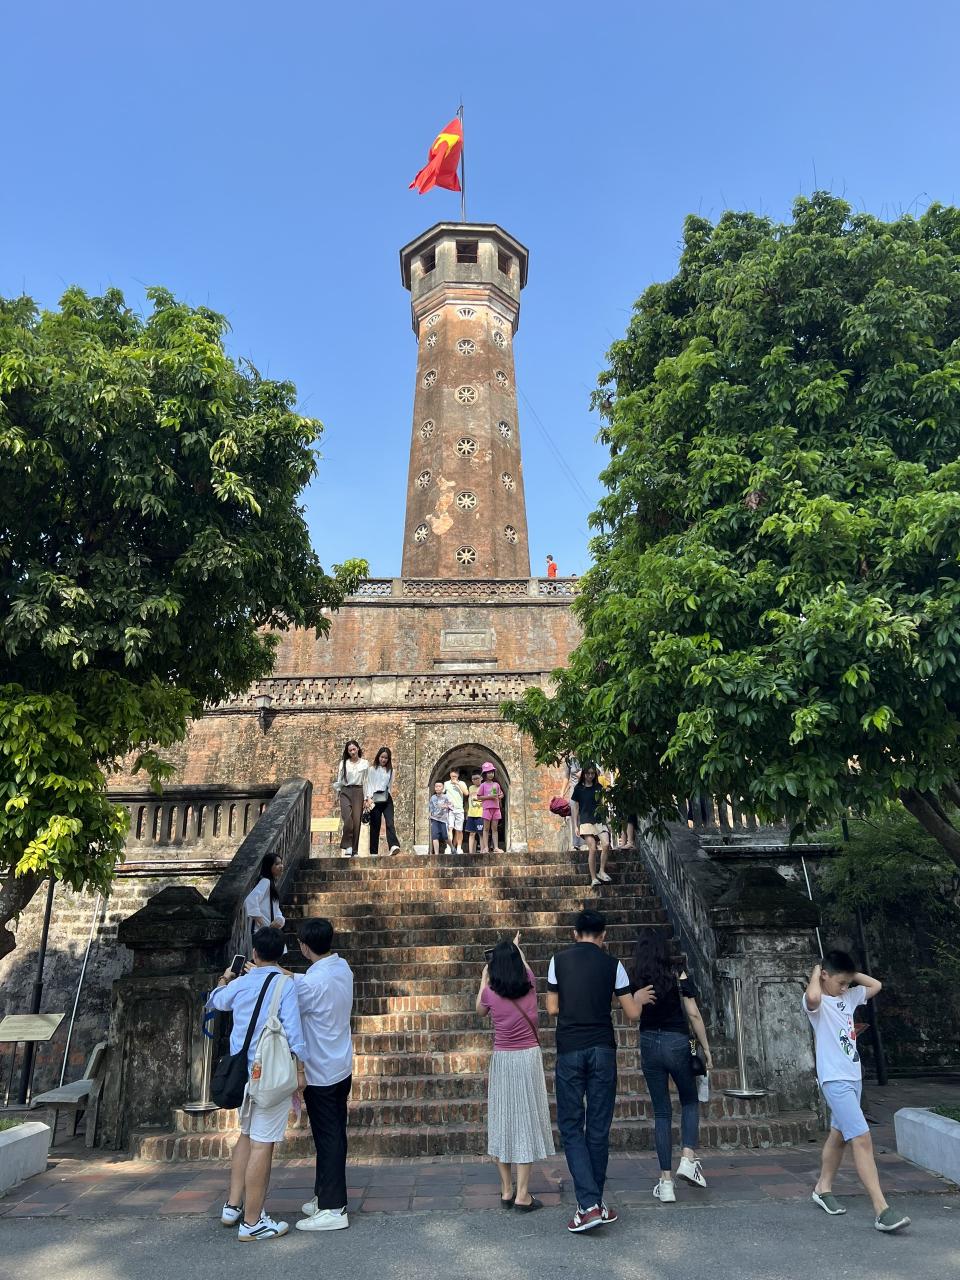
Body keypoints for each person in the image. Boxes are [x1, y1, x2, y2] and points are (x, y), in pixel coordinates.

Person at [546, 909, 655, 1233]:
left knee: (570, 1125)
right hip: (603, 1050)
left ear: (574, 932)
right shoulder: (613, 965)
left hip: (570, 1049)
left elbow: (552, 1008)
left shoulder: (558, 961)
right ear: (603, 935)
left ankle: (589, 1205)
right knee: (597, 1127)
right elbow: (632, 1013)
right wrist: (636, 996)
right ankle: (594, 1202)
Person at [209, 926, 306, 1242]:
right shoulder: (285, 985)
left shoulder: (241, 982)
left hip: (243, 1076)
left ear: (253, 954)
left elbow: (216, 1001)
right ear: (281, 955)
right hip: (269, 1076)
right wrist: (301, 1072)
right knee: (263, 1144)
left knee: (247, 1137)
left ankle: (233, 1206)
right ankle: (252, 1222)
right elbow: (294, 1033)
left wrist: (226, 977)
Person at [804, 951, 910, 1233]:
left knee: (839, 1134)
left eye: (847, 983)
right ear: (824, 976)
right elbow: (812, 998)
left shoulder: (848, 997)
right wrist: (817, 971)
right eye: (840, 982)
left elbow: (875, 985)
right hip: (834, 1080)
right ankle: (881, 1209)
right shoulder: (818, 1003)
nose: (845, 988)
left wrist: (850, 975)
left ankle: (822, 1188)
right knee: (861, 1138)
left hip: (853, 1076)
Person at [629, 928, 713, 1203]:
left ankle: (665, 1183)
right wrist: (706, 1048)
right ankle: (688, 1157)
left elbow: (633, 1014)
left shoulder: (637, 979)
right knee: (689, 1101)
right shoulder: (678, 974)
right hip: (678, 1042)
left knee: (661, 1111)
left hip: (649, 1042)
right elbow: (693, 1013)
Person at [476, 933, 554, 1212]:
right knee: (525, 1121)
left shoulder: (490, 994)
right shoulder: (530, 984)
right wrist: (516, 949)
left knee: (502, 1119)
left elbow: (479, 1011)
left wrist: (484, 978)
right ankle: (523, 1193)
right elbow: (524, 964)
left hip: (503, 1060)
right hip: (528, 1058)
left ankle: (506, 1189)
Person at [294, 918, 355, 1233]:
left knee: (328, 1138)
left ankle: (334, 1207)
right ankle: (324, 1195)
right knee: (333, 1135)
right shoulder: (342, 968)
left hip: (320, 1072)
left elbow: (296, 999)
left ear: (304, 947)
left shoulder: (309, 984)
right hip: (340, 1064)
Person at [570, 764, 611, 887]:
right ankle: (593, 878)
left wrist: (607, 822)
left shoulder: (598, 787)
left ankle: (601, 871)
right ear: (584, 774)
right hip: (585, 821)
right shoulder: (578, 789)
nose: (590, 776)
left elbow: (602, 805)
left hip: (599, 820)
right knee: (592, 848)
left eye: (593, 773)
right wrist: (576, 826)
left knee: (606, 843)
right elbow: (575, 808)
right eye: (588, 773)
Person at [242, 853, 285, 953]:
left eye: (281, 863)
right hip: (263, 934)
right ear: (269, 867)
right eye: (277, 864)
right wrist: (262, 923)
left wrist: (280, 920)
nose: (281, 866)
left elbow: (276, 909)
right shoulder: (266, 881)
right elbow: (250, 900)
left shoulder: (271, 883)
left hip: (269, 933)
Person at [333, 740, 369, 857]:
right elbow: (339, 779)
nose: (352, 752)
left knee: (357, 822)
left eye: (354, 749)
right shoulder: (343, 763)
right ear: (347, 752)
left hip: (359, 791)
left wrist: (367, 798)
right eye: (350, 750)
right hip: (345, 791)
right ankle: (347, 845)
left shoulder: (364, 763)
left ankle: (354, 851)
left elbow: (366, 781)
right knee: (347, 820)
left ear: (358, 749)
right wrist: (337, 794)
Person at [364, 746, 400, 856]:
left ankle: (394, 845)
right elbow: (368, 783)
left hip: (386, 797)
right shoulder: (371, 769)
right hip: (374, 798)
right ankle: (373, 852)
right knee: (375, 825)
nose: (383, 760)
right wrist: (368, 798)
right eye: (382, 757)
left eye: (386, 758)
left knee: (390, 822)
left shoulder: (390, 770)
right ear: (378, 757)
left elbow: (390, 785)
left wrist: (388, 793)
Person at [477, 763, 504, 854]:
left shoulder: (496, 784)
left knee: (495, 828)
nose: (491, 774)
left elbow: (501, 794)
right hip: (487, 808)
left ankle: (496, 847)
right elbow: (479, 797)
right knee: (486, 828)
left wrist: (500, 796)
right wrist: (489, 797)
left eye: (492, 772)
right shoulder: (483, 785)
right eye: (488, 772)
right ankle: (485, 848)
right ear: (485, 774)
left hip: (496, 808)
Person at [443, 769, 469, 854]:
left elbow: (466, 793)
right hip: (450, 810)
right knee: (449, 828)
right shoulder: (446, 783)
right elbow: (441, 794)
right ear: (450, 775)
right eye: (452, 776)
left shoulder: (461, 783)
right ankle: (449, 847)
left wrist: (457, 784)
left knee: (459, 830)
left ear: (458, 775)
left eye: (455, 776)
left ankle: (459, 847)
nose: (453, 777)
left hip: (459, 809)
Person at [428, 781, 453, 855]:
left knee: (445, 836)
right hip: (434, 819)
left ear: (443, 788)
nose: (438, 788)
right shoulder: (433, 797)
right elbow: (430, 807)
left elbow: (452, 805)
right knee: (435, 836)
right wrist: (429, 814)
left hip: (443, 819)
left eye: (439, 786)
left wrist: (447, 806)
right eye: (436, 786)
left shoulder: (446, 796)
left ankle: (452, 847)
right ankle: (436, 854)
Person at [465, 770, 484, 855]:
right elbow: (470, 800)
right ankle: (470, 852)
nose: (475, 780)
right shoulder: (471, 788)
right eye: (473, 779)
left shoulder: (484, 786)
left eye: (477, 778)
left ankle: (483, 850)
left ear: (481, 778)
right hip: (471, 814)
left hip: (481, 813)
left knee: (481, 833)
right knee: (471, 833)